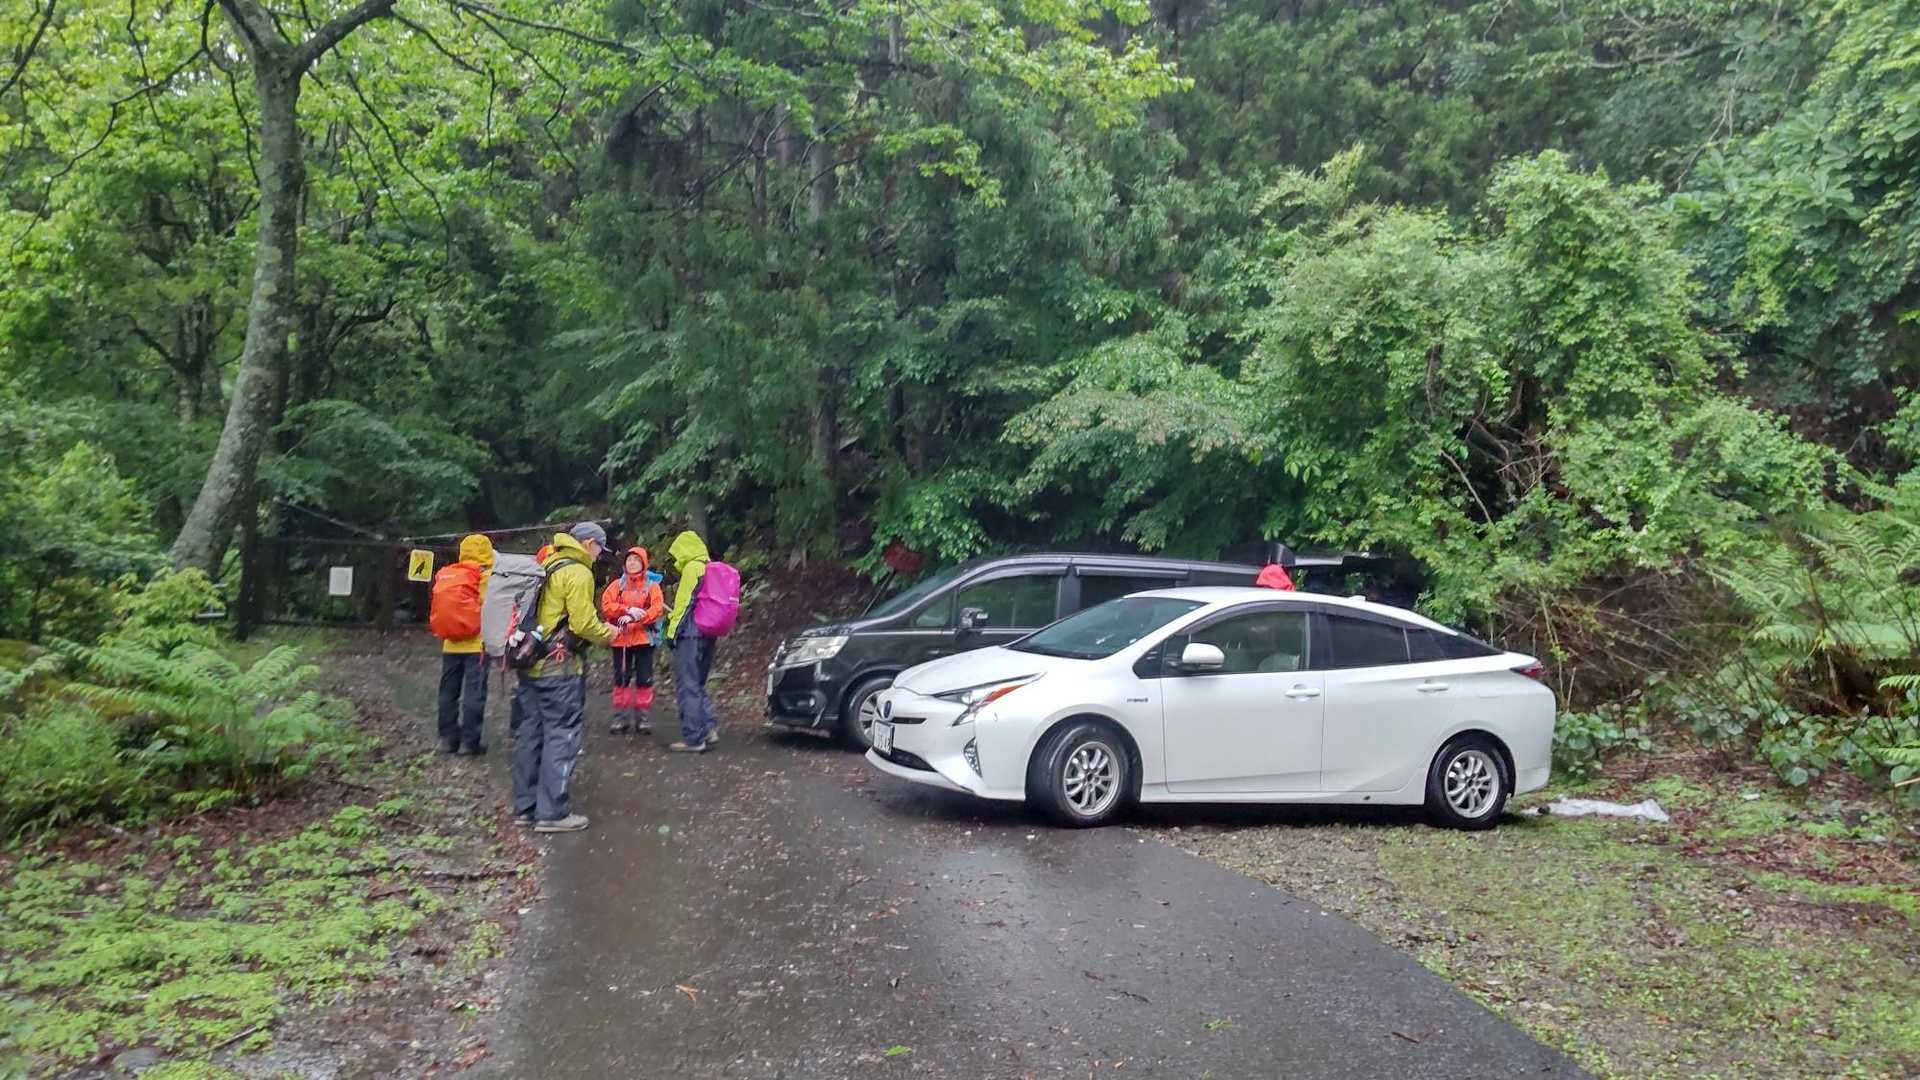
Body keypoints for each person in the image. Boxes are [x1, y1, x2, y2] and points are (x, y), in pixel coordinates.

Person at [510, 523, 616, 832]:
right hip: (560, 669)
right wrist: (607, 634)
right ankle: (553, 813)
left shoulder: (546, 564)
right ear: (588, 543)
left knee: (530, 733)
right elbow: (583, 624)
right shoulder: (579, 572)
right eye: (599, 549)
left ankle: (526, 808)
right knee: (562, 733)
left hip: (530, 662)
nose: (599, 556)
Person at [437, 533, 495, 755]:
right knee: (474, 693)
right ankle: (469, 743)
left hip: (450, 643)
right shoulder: (487, 577)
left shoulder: (451, 574)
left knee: (448, 692)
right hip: (477, 646)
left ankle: (447, 739)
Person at [600, 546, 665, 735]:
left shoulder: (652, 586)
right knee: (621, 678)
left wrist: (639, 617)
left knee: (644, 678)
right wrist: (626, 610)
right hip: (621, 638)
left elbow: (657, 608)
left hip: (644, 639)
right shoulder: (617, 585)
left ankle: (643, 718)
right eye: (629, 560)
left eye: (636, 560)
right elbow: (606, 606)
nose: (632, 563)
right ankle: (620, 717)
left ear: (643, 563)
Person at [664, 529, 718, 753]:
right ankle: (709, 728)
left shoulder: (692, 568)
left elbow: (684, 604)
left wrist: (671, 633)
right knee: (698, 684)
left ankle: (694, 739)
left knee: (688, 685)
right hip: (709, 633)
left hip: (690, 635)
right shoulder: (711, 567)